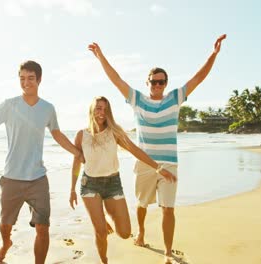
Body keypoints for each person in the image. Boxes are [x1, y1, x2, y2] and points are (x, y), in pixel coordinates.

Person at [88, 34, 227, 263]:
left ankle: (169, 252)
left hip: (169, 162)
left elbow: (198, 77)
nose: (158, 85)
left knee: (168, 208)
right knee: (142, 204)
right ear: (148, 83)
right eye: (154, 81)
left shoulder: (175, 98)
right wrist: (100, 56)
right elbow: (116, 79)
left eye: (161, 81)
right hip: (144, 163)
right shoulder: (137, 100)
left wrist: (213, 54)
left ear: (166, 84)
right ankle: (141, 231)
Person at [0, 60, 83, 264]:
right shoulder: (9, 105)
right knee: (5, 225)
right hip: (12, 178)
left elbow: (57, 134)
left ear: (39, 80)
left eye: (31, 78)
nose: (26, 83)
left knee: (43, 227)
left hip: (38, 178)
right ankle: (6, 244)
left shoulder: (48, 108)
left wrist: (77, 152)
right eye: (22, 78)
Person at [69, 96, 177, 264]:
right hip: (89, 185)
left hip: (112, 184)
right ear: (91, 110)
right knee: (101, 232)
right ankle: (104, 260)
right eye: (98, 108)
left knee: (125, 233)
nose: (101, 113)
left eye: (105, 109)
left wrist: (158, 167)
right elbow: (76, 162)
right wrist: (72, 189)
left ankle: (104, 214)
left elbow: (135, 150)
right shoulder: (81, 135)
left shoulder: (115, 132)